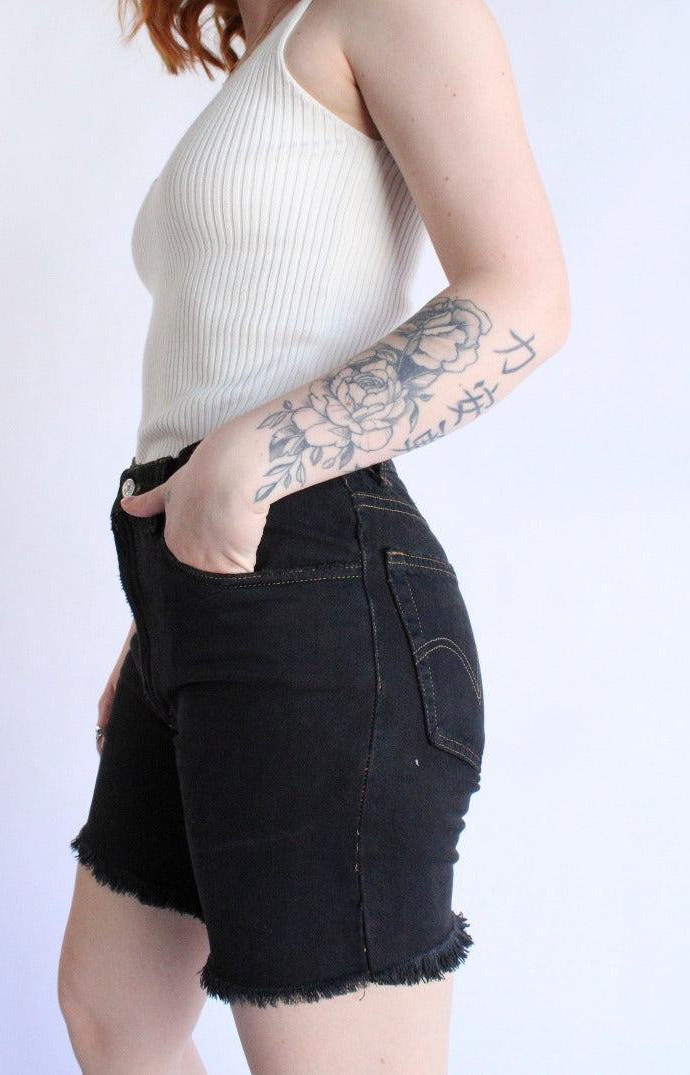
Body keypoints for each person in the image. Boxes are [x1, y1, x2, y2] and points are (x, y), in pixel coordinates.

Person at [57, 0, 570, 1071]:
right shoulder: (272, 51)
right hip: (195, 596)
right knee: (115, 1013)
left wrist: (253, 458)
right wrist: (159, 625)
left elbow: (524, 299)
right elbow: (233, 349)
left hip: (319, 583)